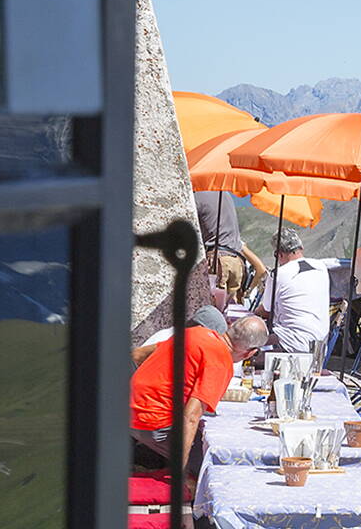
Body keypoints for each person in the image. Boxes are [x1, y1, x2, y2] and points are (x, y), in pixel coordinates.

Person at [131, 316, 265, 478]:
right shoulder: (220, 361)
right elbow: (191, 417)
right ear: (249, 353)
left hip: (126, 410)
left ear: (230, 326)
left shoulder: (195, 333)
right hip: (152, 423)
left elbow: (138, 354)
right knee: (212, 463)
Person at [256, 229, 332, 358]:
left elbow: (265, 310)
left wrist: (253, 314)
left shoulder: (278, 274)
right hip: (319, 348)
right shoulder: (321, 267)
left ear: (279, 255)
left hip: (291, 346)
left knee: (246, 353)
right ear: (301, 248)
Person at [193, 188, 267, 305]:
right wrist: (247, 292)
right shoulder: (225, 194)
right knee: (231, 308)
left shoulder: (197, 197)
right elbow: (261, 268)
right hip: (236, 261)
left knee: (214, 305)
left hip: (218, 260)